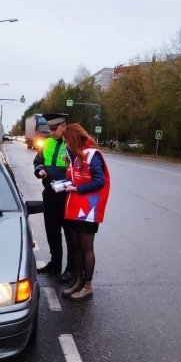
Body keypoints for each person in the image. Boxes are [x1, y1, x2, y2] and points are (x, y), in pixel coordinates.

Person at [61, 123, 110, 300]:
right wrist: (65, 183)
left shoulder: (92, 155)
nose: (66, 144)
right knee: (76, 248)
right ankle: (78, 282)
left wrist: (76, 189)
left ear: (74, 138)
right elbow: (74, 177)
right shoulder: (76, 155)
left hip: (88, 210)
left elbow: (99, 181)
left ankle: (87, 285)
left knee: (86, 249)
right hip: (75, 208)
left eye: (67, 140)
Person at [33, 114, 74, 282]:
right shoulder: (47, 143)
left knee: (70, 234)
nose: (51, 133)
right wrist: (40, 170)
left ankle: (71, 269)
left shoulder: (72, 144)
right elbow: (37, 162)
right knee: (52, 231)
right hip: (50, 195)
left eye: (54, 129)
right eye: (49, 129)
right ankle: (55, 264)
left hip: (68, 196)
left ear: (63, 126)